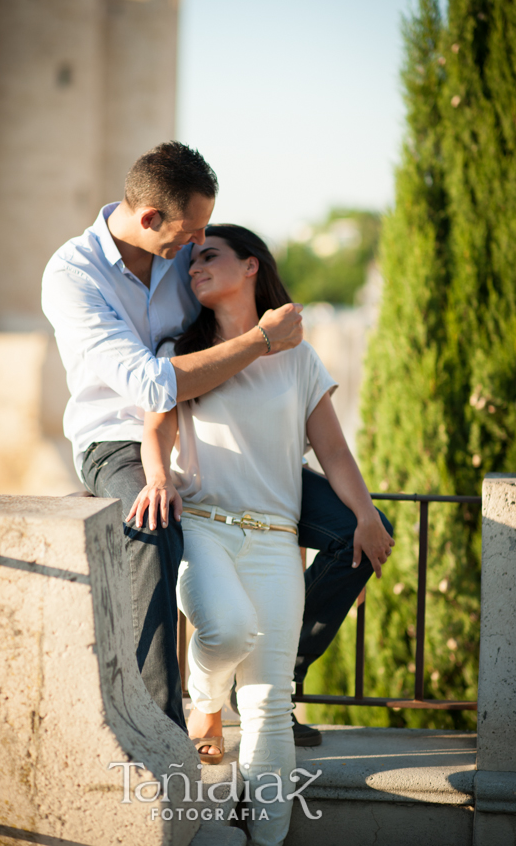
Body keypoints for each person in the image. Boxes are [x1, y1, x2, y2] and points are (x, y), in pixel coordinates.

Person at [41, 140, 393, 739]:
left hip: (205, 443)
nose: (194, 249)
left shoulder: (180, 254)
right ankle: (161, 729)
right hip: (120, 441)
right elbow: (151, 385)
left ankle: (273, 685)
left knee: (353, 532)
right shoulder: (74, 275)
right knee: (151, 530)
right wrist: (260, 340)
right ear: (151, 218)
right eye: (189, 234)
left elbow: (229, 302)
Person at [126, 224, 394, 846]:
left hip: (276, 539)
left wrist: (364, 514)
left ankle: (265, 839)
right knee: (225, 629)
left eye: (210, 256)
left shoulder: (299, 359)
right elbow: (156, 427)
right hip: (203, 526)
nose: (195, 267)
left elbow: (332, 448)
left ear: (251, 267)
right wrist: (159, 476)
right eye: (190, 261)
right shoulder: (180, 350)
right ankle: (206, 701)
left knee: (272, 705)